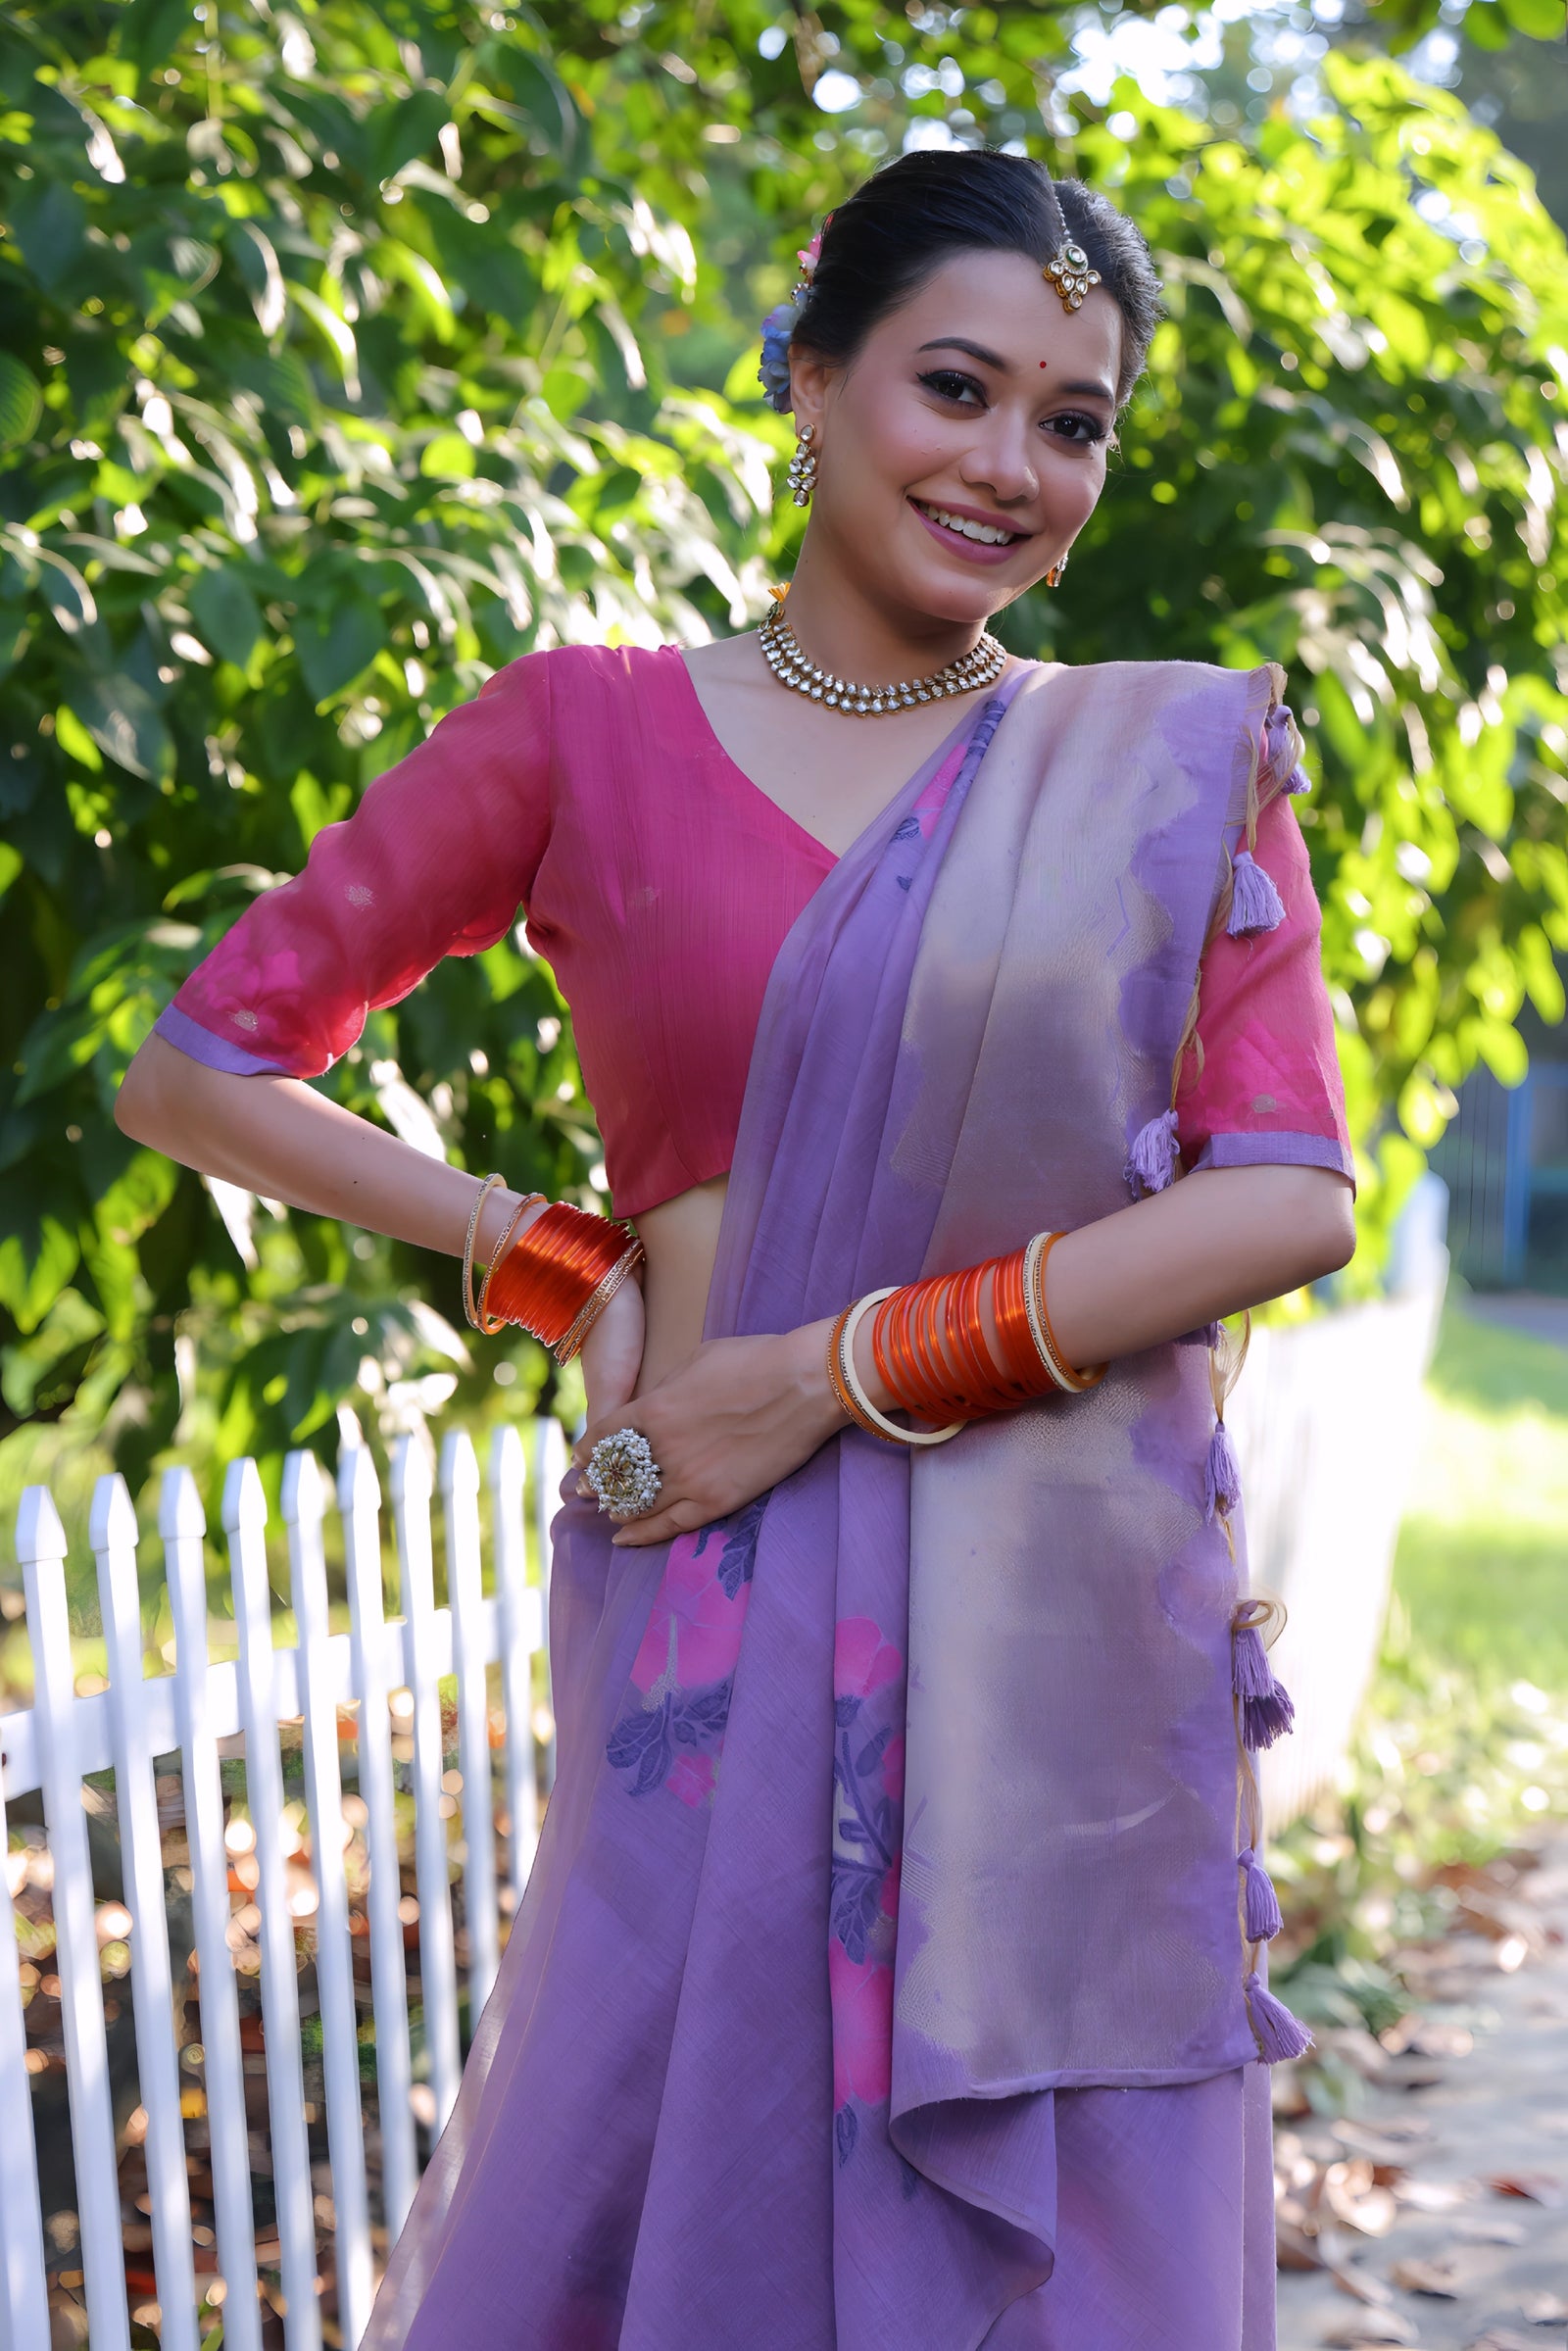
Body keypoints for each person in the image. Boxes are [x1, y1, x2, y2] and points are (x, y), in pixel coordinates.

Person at [117, 149, 1355, 2351]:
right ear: (805, 379)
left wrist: (843, 1366)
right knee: (653, 2161)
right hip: (706, 1559)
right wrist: (553, 1261)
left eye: (1066, 422)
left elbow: (1283, 1196)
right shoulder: (578, 733)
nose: (1005, 466)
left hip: (1052, 1615)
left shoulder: (1161, 773)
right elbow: (202, 1066)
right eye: (951, 387)